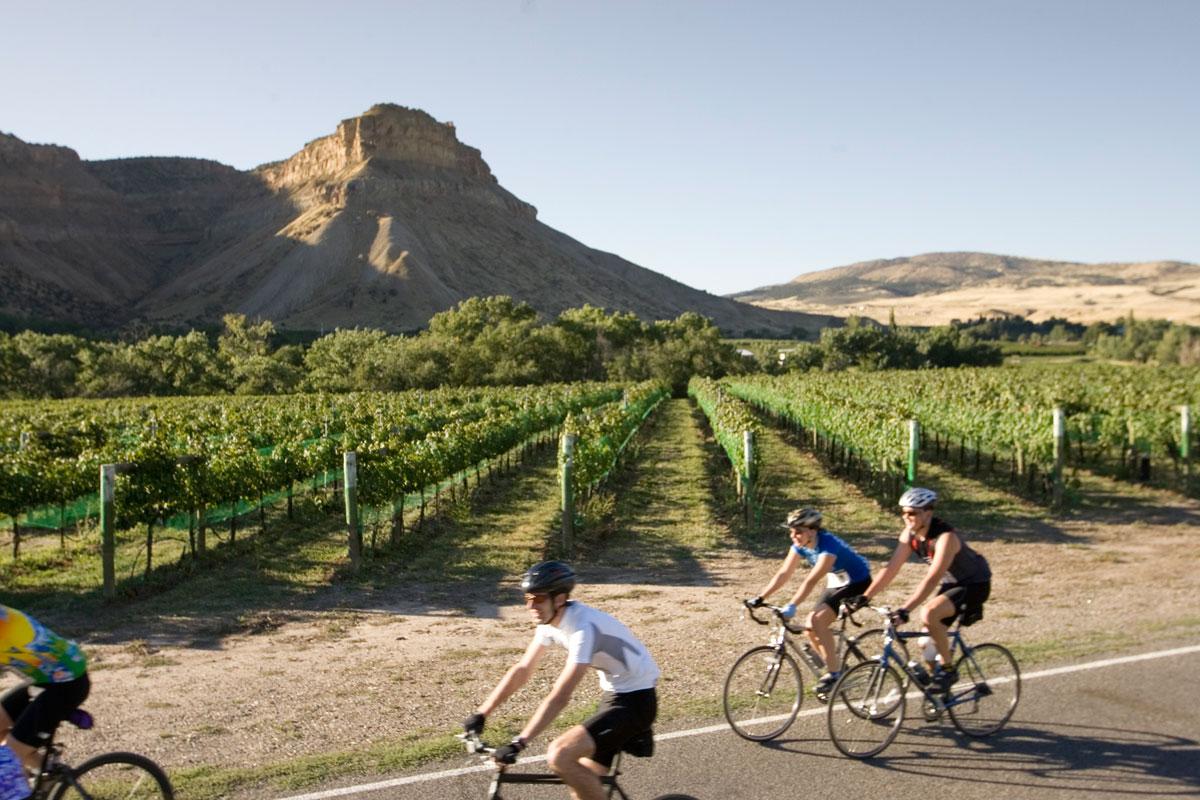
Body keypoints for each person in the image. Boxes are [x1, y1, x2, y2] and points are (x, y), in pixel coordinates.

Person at [463, 561, 659, 800]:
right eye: (528, 599)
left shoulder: (583, 629)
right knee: (582, 787)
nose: (531, 606)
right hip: (613, 697)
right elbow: (523, 669)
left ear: (559, 599)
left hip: (636, 702)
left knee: (559, 755)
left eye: (538, 599)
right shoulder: (549, 623)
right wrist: (482, 713)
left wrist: (519, 743)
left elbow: (560, 696)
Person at [855, 487, 992, 693]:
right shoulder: (909, 535)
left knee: (929, 613)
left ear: (927, 513)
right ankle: (940, 695)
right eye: (903, 512)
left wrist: (905, 610)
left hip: (974, 584)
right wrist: (864, 597)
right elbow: (891, 569)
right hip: (952, 583)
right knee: (925, 644)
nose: (906, 517)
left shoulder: (945, 538)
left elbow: (932, 578)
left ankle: (948, 669)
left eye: (912, 513)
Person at [746, 507, 872, 696]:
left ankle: (835, 674)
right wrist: (761, 597)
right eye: (791, 531)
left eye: (798, 531)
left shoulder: (828, 546)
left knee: (818, 621)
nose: (793, 536)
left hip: (859, 582)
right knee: (809, 628)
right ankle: (838, 668)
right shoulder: (800, 545)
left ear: (812, 530)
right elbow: (784, 573)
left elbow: (811, 580)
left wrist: (793, 605)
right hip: (838, 581)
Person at [1, 605, 90, 800]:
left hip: (68, 683)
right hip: (45, 680)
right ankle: (47, 771)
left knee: (9, 758)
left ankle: (21, 791)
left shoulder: (4, 624)